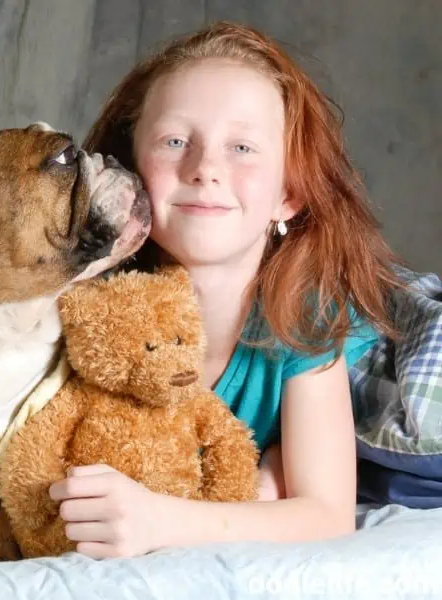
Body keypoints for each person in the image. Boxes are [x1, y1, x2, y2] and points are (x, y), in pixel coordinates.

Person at [47, 21, 407, 558]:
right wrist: (258, 502)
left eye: (242, 147)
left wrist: (162, 521)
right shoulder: (91, 306)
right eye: (174, 141)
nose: (205, 168)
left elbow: (328, 515)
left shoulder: (300, 318)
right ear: (128, 165)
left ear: (289, 194)